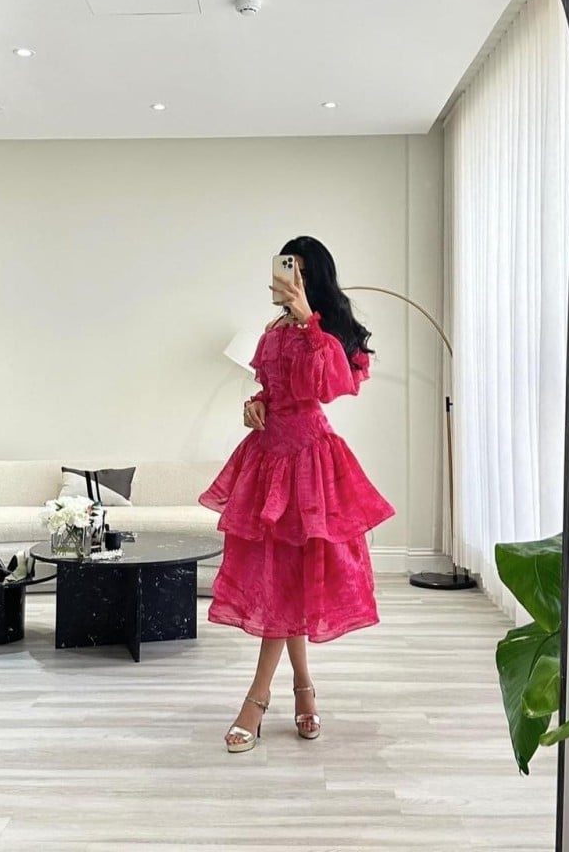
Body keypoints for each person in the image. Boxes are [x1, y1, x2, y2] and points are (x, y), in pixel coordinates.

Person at [199, 235, 395, 753]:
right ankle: (304, 690)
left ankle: (256, 700)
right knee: (283, 582)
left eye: (303, 273)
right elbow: (274, 388)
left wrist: (310, 320)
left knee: (285, 584)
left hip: (310, 464)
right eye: (289, 270)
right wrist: (255, 405)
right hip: (268, 460)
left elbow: (328, 387)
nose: (293, 280)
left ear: (316, 279)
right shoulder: (272, 332)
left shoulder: (324, 333)